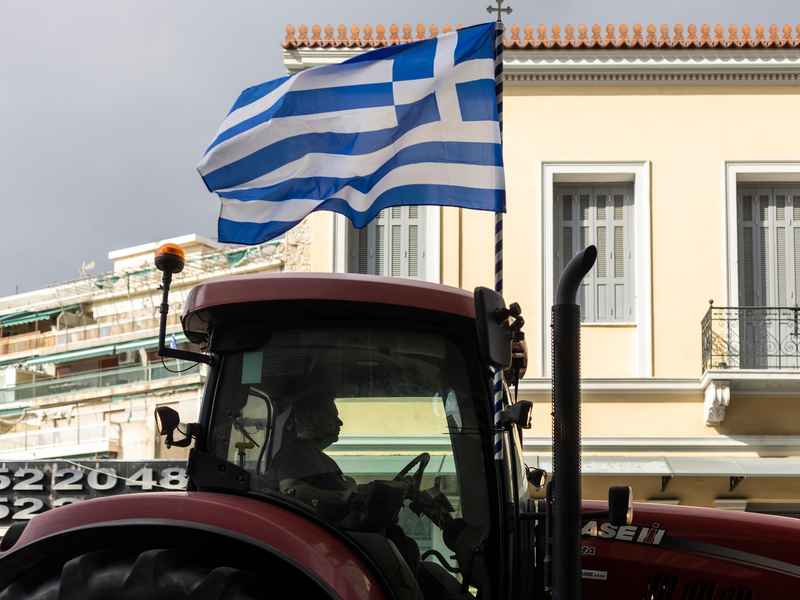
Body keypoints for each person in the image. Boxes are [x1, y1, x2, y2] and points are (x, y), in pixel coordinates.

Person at [271, 388, 367, 508]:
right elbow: (291, 491)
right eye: (332, 416)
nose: (340, 422)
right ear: (311, 421)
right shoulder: (293, 453)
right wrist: (343, 495)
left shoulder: (323, 459)